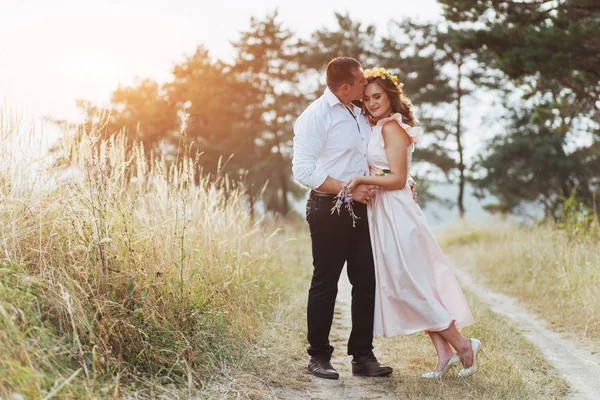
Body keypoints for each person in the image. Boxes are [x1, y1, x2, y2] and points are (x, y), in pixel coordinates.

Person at [345, 67, 483, 378]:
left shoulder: (392, 128)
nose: (371, 103)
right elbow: (392, 171)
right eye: (366, 98)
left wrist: (359, 179)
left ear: (390, 96)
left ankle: (463, 345)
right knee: (406, 283)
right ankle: (443, 353)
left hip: (397, 213)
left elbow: (397, 179)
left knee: (410, 284)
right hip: (383, 213)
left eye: (377, 96)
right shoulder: (379, 127)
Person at [292, 57, 394, 379]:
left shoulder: (360, 112)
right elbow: (303, 170)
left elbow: (372, 157)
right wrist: (349, 192)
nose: (367, 84)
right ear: (346, 86)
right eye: (362, 80)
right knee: (326, 283)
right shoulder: (315, 116)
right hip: (328, 208)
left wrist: (396, 179)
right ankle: (318, 357)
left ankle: (362, 356)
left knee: (365, 281)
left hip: (362, 208)